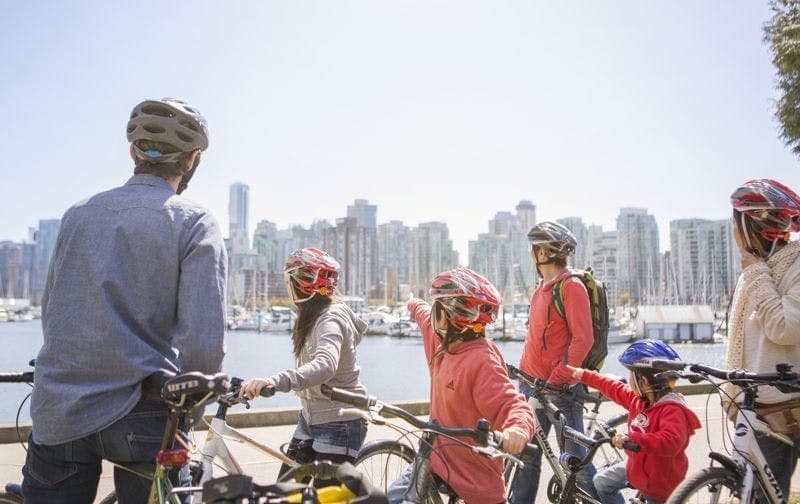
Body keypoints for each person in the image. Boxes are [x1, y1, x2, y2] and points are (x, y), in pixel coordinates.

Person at [23, 98, 227, 503]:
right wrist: (188, 414)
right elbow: (204, 348)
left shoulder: (77, 215)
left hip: (59, 408)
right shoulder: (194, 222)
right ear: (192, 159)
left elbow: (54, 314)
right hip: (145, 409)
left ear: (133, 151)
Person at [388, 267, 535, 504]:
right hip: (434, 459)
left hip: (473, 477)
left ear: (447, 316)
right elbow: (424, 313)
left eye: (438, 308)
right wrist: (413, 303)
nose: (433, 313)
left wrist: (517, 430)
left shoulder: (481, 361)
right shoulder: (440, 343)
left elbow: (512, 403)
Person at [241, 247, 369, 474]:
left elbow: (325, 364)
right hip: (310, 418)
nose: (287, 286)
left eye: (289, 280)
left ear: (301, 284)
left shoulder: (330, 319)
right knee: (287, 491)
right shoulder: (311, 317)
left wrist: (275, 381)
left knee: (324, 498)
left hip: (340, 421)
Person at [510, 221, 598, 503]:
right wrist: (520, 376)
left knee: (577, 464)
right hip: (531, 389)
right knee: (526, 457)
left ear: (544, 253)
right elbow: (535, 339)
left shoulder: (571, 287)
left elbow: (583, 340)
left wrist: (557, 379)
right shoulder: (542, 288)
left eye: (534, 248)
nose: (532, 253)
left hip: (560, 392)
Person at [725, 178, 800, 497]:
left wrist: (755, 271)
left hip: (786, 410)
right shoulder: (755, 268)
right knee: (749, 495)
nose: (733, 231)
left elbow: (785, 327)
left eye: (736, 222)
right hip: (753, 410)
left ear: (751, 224)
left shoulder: (788, 266)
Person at [567, 340, 701, 504]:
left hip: (660, 484)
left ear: (644, 382)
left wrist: (633, 439)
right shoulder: (638, 400)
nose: (628, 380)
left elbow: (671, 442)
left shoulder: (673, 410)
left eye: (632, 376)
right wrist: (583, 375)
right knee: (601, 482)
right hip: (637, 467)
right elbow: (613, 387)